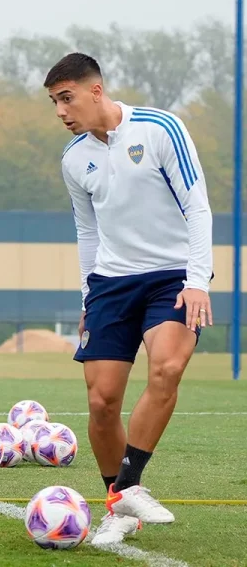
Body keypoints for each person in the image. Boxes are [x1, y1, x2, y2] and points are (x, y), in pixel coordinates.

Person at [49, 52, 213, 546]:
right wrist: (87, 294)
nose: (60, 111)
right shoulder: (75, 158)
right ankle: (121, 504)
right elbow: (86, 229)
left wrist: (198, 278)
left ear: (95, 90)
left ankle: (127, 485)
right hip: (111, 284)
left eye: (66, 98)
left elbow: (197, 204)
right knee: (101, 402)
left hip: (172, 278)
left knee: (166, 368)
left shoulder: (161, 129)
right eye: (54, 102)